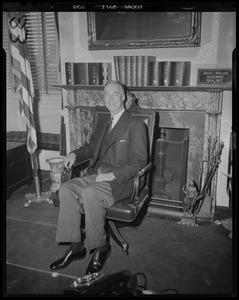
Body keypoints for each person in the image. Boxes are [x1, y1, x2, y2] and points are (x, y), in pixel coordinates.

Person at [50, 80, 148, 275]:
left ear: (124, 97)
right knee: (66, 189)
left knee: (89, 193)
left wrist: (112, 174)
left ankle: (101, 248)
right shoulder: (104, 122)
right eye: (106, 95)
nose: (110, 99)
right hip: (98, 175)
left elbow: (139, 161)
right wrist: (74, 155)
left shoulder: (136, 125)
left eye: (114, 94)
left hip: (121, 181)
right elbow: (91, 147)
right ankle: (76, 247)